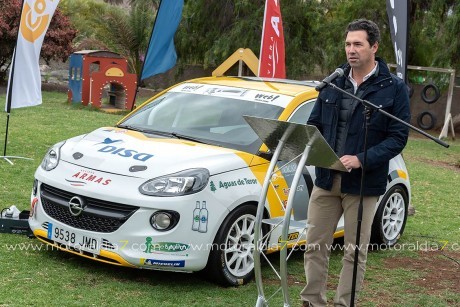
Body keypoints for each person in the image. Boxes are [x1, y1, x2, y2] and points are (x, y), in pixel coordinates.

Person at [300, 19, 410, 306]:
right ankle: (312, 301)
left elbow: (398, 138)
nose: (351, 50)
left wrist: (362, 159)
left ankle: (343, 303)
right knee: (314, 246)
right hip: (327, 178)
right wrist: (313, 150)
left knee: (354, 251)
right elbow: (314, 125)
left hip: (363, 183)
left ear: (374, 47)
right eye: (348, 44)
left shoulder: (394, 89)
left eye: (358, 44)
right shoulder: (333, 82)